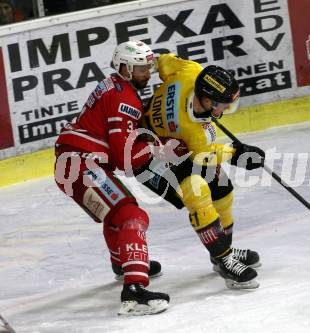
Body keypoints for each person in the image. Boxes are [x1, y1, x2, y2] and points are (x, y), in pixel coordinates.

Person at [54, 40, 171, 315]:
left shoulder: (115, 85)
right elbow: (124, 159)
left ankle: (124, 263)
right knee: (133, 216)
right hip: (81, 163)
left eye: (149, 67)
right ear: (125, 68)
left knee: (116, 214)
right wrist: (160, 149)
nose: (148, 73)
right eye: (142, 68)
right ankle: (134, 291)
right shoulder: (124, 99)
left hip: (75, 161)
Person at [135, 54, 266, 289]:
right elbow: (203, 155)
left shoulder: (190, 70)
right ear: (206, 100)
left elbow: (160, 60)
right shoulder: (196, 129)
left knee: (223, 189)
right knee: (198, 192)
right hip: (147, 157)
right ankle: (225, 260)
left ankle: (221, 249)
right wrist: (237, 154)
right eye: (224, 104)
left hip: (178, 148)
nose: (226, 109)